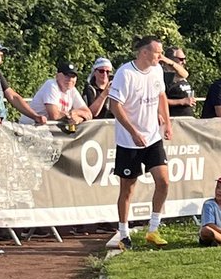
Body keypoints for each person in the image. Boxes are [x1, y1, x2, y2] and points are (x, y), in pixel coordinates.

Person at [106, 35, 172, 250]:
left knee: (163, 181)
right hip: (129, 142)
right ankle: (123, 233)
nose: (160, 57)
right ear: (144, 52)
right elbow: (115, 106)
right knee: (128, 189)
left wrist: (167, 123)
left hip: (152, 138)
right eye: (157, 53)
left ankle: (153, 229)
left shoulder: (157, 71)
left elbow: (161, 96)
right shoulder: (125, 74)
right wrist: (133, 132)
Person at [19, 62, 92, 127]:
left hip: (45, 129)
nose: (70, 79)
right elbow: (54, 115)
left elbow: (88, 113)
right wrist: (73, 116)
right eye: (66, 75)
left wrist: (77, 116)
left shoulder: (72, 90)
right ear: (57, 76)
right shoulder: (51, 85)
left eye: (73, 76)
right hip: (29, 127)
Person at [163, 46, 196, 117]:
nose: (184, 62)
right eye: (181, 59)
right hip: (174, 120)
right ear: (170, 60)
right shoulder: (163, 77)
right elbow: (160, 101)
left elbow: (185, 74)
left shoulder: (182, 75)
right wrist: (182, 102)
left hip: (188, 119)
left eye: (185, 59)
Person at [198, 175, 221, 246]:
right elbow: (210, 224)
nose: (219, 191)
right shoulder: (209, 204)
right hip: (217, 233)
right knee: (205, 231)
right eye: (217, 187)